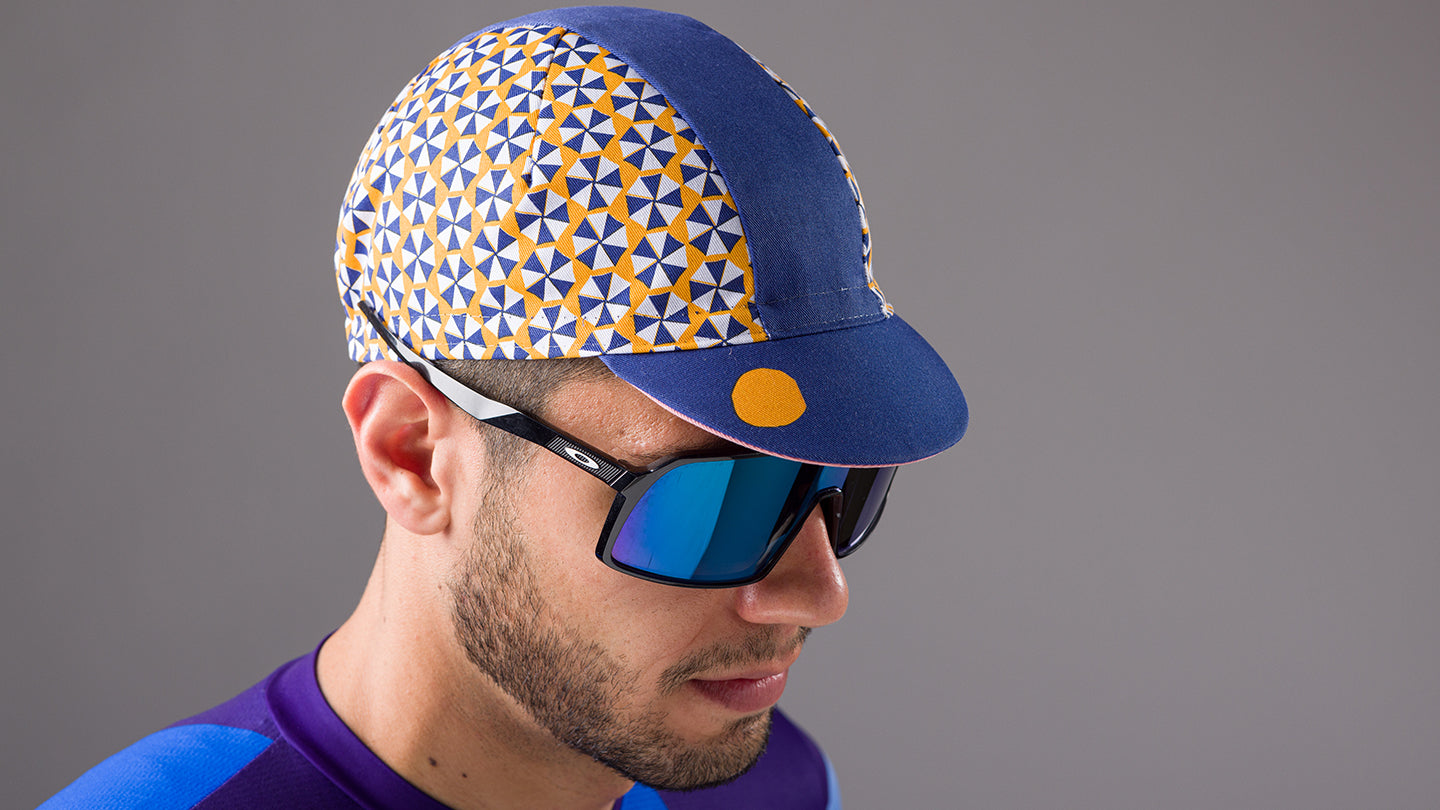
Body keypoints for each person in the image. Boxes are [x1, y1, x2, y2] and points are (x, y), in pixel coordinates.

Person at [39, 7, 967, 809]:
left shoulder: (777, 788)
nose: (822, 595)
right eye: (712, 503)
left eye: (838, 484)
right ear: (411, 454)